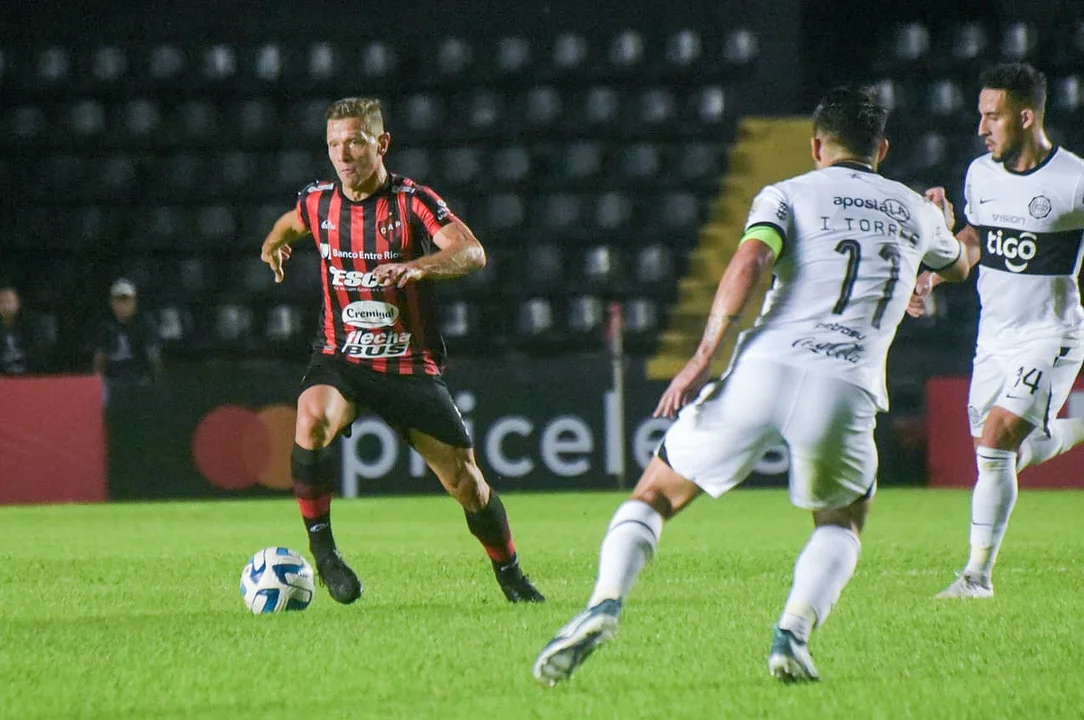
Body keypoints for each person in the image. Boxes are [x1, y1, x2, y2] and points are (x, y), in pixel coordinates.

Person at [533, 86, 970, 686]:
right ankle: (792, 633)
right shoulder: (915, 209)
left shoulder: (787, 193)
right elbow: (959, 265)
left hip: (764, 368)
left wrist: (703, 355)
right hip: (845, 385)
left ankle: (604, 604)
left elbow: (748, 264)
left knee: (656, 494)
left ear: (817, 145)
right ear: (883, 148)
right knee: (842, 520)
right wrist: (943, 224)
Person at [259, 97, 544, 605]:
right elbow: (290, 225)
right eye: (333, 145)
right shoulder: (319, 202)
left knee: (467, 484)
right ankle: (323, 553)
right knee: (310, 416)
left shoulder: (412, 202)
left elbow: (472, 251)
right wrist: (273, 245)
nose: (343, 154)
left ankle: (511, 576)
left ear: (381, 143)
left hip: (407, 366)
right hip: (341, 356)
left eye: (355, 142)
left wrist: (421, 266)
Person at [908, 63, 1084, 600]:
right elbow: (972, 251)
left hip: (1051, 333)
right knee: (999, 453)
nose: (982, 127)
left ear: (1026, 116)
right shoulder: (980, 174)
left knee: (997, 439)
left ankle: (976, 577)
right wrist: (935, 268)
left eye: (993, 115)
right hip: (995, 337)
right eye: (980, 115)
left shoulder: (1075, 179)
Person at [91, 278, 163, 387]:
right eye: (119, 301)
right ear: (112, 303)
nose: (123, 305)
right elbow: (100, 356)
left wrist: (154, 379)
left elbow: (153, 353)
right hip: (112, 379)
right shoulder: (104, 324)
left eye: (127, 301)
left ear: (134, 302)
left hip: (140, 377)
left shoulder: (145, 322)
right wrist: (98, 382)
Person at [0, 283, 51, 375]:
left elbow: (37, 353)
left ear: (17, 303)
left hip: (28, 371)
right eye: (2, 302)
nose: (5, 306)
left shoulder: (30, 325)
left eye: (9, 301)